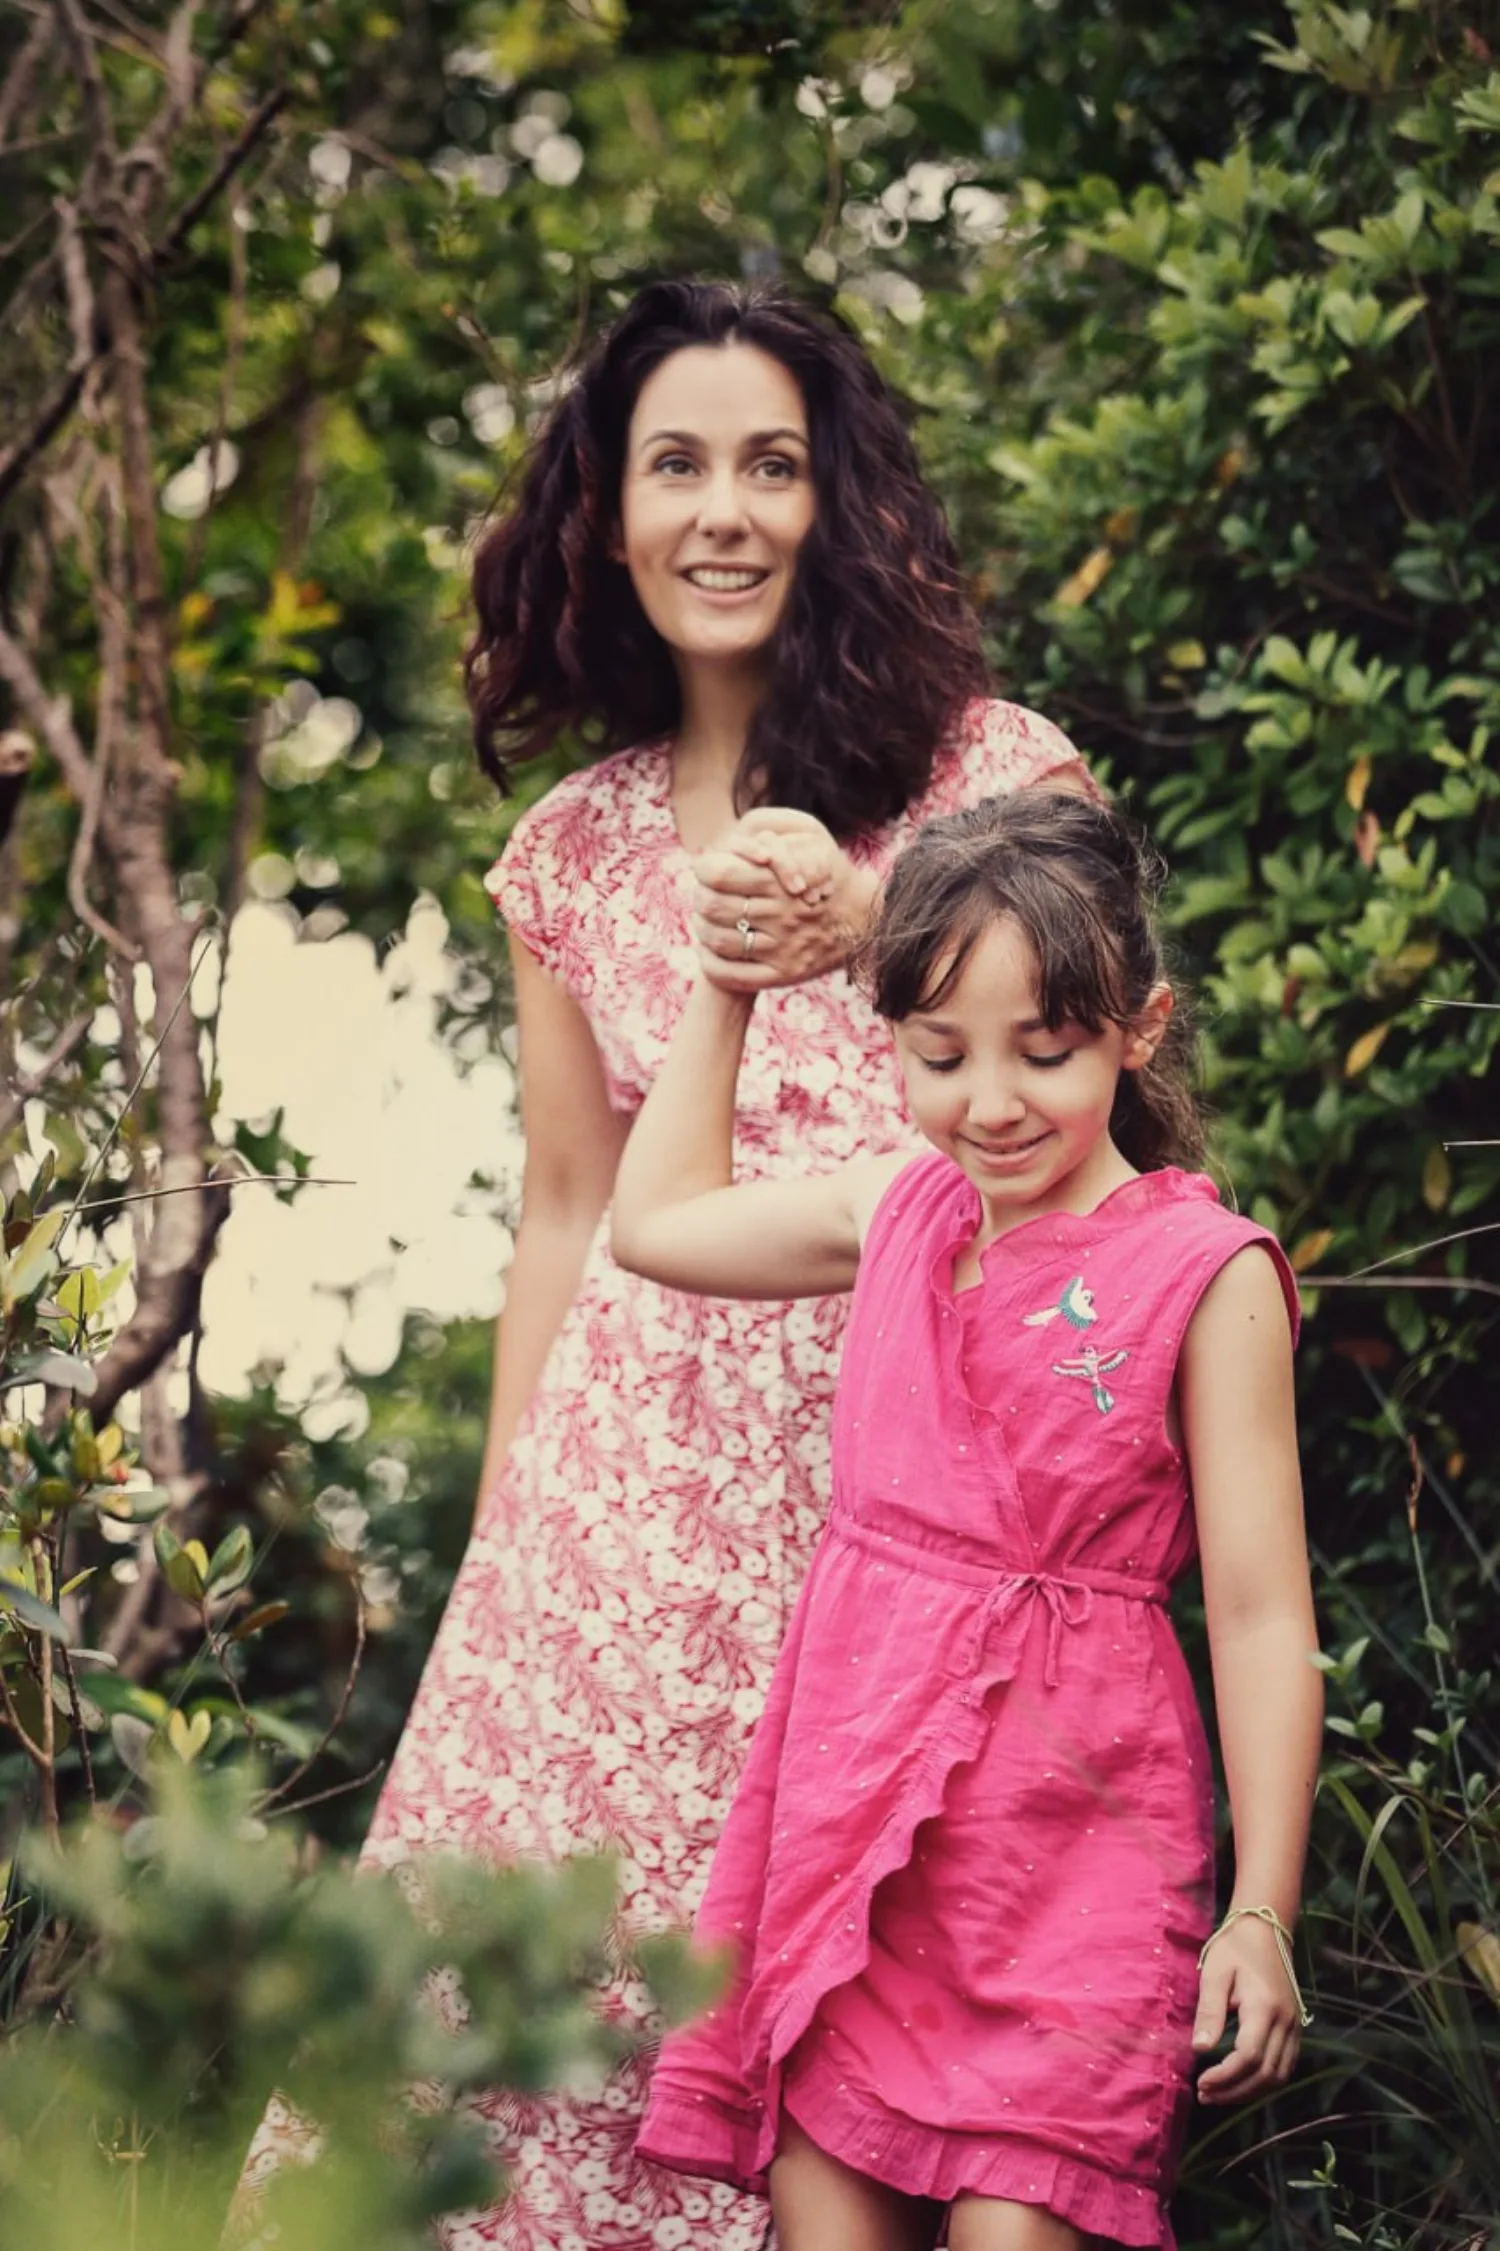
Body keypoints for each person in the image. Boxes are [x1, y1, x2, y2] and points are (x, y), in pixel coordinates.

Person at [234, 278, 1094, 2248]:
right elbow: (565, 1208)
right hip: (623, 1529)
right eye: (676, 464)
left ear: (836, 506)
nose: (725, 509)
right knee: (542, 2014)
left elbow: (1099, 1106)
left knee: (861, 2016)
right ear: (608, 517)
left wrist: (872, 913)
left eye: (772, 465)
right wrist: (507, 1560)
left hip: (908, 1484)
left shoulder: (1000, 773)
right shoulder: (573, 847)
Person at [613, 790, 1323, 2251]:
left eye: (1043, 1052)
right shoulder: (900, 1207)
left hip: (1076, 1848)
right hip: (855, 1828)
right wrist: (727, 983)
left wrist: (1262, 1910)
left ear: (1139, 1025)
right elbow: (657, 1218)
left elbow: (1258, 1616)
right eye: (940, 1055)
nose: (990, 1102)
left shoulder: (1207, 1271)